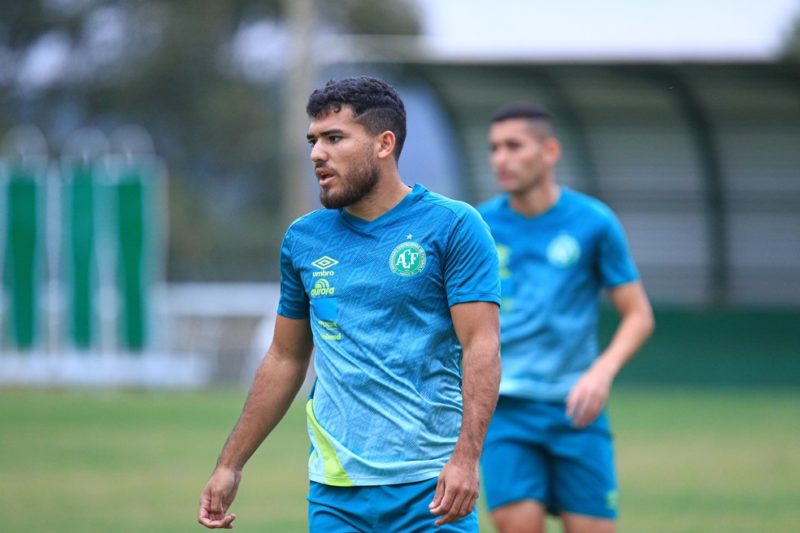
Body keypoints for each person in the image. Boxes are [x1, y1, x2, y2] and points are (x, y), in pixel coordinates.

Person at [198, 76, 501, 532]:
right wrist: (230, 464)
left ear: (384, 143)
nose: (317, 154)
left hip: (431, 487)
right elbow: (285, 356)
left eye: (334, 138)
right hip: (335, 491)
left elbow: (481, 345)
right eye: (313, 140)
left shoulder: (453, 225)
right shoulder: (304, 238)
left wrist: (466, 459)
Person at [478, 104, 655, 533]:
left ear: (549, 151)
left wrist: (601, 372)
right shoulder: (478, 225)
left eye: (513, 146)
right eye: (494, 148)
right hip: (504, 410)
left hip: (576, 409)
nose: (500, 158)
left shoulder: (592, 222)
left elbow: (638, 315)